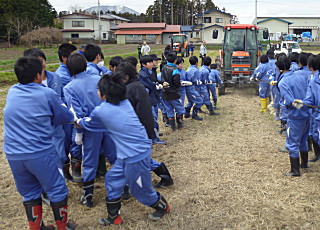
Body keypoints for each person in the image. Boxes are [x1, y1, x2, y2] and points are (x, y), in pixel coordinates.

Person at [76, 74, 170, 225]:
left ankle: (162, 207)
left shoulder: (102, 111)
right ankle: (114, 217)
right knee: (112, 179)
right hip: (128, 155)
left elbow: (88, 124)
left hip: (136, 156)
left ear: (104, 94)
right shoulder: (124, 103)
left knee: (140, 190)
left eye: (98, 90)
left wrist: (77, 121)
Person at [4, 56, 77, 230]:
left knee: (29, 191)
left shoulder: (12, 91)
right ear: (38, 75)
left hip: (13, 153)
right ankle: (63, 226)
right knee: (57, 189)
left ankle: (37, 227)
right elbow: (65, 117)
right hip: (39, 152)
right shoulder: (46, 93)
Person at [64, 53, 116, 208]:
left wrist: (79, 128)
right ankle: (123, 189)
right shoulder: (99, 80)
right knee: (114, 157)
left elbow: (75, 114)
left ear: (69, 69)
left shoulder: (69, 88)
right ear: (85, 65)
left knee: (90, 162)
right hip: (108, 124)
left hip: (90, 128)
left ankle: (88, 197)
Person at [115, 61, 174, 188]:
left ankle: (132, 186)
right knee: (139, 159)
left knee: (136, 159)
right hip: (138, 130)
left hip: (137, 130)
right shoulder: (134, 86)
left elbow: (143, 113)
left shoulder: (133, 88)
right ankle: (164, 176)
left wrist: (147, 133)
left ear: (126, 76)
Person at [23, 48, 73, 181]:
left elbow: (62, 96)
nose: (41, 64)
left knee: (62, 150)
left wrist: (64, 109)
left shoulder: (54, 77)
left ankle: (64, 173)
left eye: (42, 60)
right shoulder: (27, 84)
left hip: (58, 121)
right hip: (41, 124)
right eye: (36, 61)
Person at [279, 56, 311, 176]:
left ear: (279, 68)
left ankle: (295, 170)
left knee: (292, 142)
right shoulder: (301, 75)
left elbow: (288, 101)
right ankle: (304, 164)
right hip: (307, 113)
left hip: (295, 116)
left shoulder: (283, 82)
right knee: (303, 139)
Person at [55, 43, 82, 183]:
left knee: (76, 142)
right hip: (66, 116)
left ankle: (76, 169)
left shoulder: (72, 71)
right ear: (64, 58)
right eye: (72, 56)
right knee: (66, 144)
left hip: (74, 114)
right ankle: (66, 172)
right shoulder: (61, 76)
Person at [139, 55, 166, 144]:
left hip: (154, 98)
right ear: (143, 64)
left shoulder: (151, 71)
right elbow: (150, 85)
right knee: (152, 118)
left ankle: (155, 133)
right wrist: (156, 86)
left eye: (151, 62)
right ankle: (154, 137)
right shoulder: (143, 74)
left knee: (155, 116)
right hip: (149, 99)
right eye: (149, 62)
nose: (152, 64)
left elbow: (155, 82)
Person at [161, 52, 186, 130]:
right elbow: (176, 82)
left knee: (169, 109)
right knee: (179, 107)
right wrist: (179, 84)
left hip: (165, 91)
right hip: (173, 93)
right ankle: (180, 123)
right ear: (175, 61)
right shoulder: (175, 70)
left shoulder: (164, 67)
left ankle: (172, 126)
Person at [184, 56, 203, 120]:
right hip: (192, 88)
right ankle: (194, 114)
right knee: (199, 100)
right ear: (197, 62)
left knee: (191, 101)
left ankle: (187, 113)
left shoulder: (188, 69)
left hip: (187, 87)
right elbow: (196, 80)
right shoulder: (196, 70)